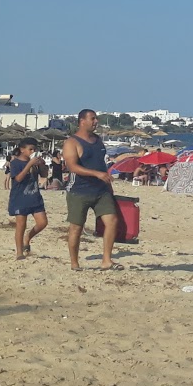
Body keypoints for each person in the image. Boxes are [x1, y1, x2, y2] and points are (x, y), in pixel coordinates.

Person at [63, 109, 119, 271]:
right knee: (76, 227)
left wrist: (108, 185)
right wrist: (97, 174)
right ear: (82, 121)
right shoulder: (71, 142)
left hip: (101, 190)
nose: (96, 122)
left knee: (112, 221)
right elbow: (72, 167)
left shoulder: (98, 140)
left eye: (96, 119)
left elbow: (101, 164)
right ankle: (74, 263)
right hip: (78, 191)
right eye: (93, 119)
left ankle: (106, 260)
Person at [6, 138, 48, 259]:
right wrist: (29, 164)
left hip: (34, 196)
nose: (32, 151)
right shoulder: (15, 163)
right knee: (21, 225)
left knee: (42, 223)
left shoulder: (34, 163)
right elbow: (18, 179)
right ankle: (19, 251)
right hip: (19, 198)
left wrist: (42, 165)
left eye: (34, 149)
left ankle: (28, 237)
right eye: (30, 149)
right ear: (22, 149)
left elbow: (44, 175)